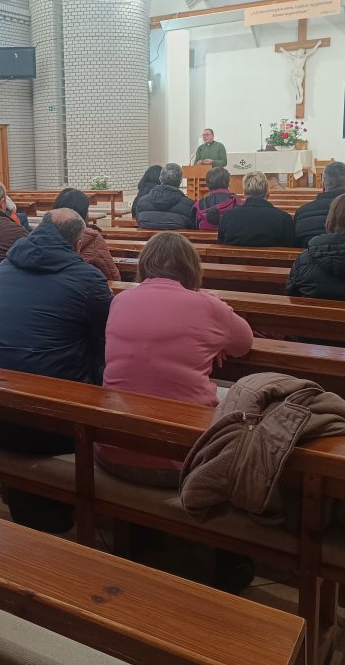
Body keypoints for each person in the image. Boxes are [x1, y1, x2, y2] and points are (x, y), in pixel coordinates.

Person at [96, 232, 256, 592]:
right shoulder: (206, 306)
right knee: (245, 433)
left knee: (146, 405)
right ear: (191, 268)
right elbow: (244, 343)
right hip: (184, 461)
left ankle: (144, 539)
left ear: (144, 266)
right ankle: (233, 561)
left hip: (112, 448)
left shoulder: (120, 301)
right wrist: (211, 335)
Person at [0, 208, 113, 532]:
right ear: (78, 244)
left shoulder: (4, 267)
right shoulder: (88, 279)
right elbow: (107, 347)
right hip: (51, 428)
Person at [52, 187, 121, 281]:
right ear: (84, 212)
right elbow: (112, 276)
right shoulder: (93, 238)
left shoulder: (42, 236)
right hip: (84, 287)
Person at [216, 170, 296, 247]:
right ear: (267, 192)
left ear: (244, 193)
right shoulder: (283, 219)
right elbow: (290, 249)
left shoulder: (227, 217)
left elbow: (221, 245)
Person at [134, 163, 196, 230]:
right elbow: (193, 228)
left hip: (148, 237)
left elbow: (139, 223)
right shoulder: (190, 206)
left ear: (160, 178)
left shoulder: (141, 202)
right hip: (177, 237)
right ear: (180, 181)